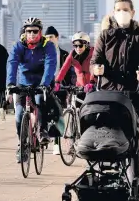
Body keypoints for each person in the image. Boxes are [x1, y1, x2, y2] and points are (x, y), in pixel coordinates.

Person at [90, 0, 139, 181]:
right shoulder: (105, 35)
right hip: (109, 96)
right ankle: (108, 178)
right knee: (107, 138)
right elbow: (95, 60)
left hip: (133, 96)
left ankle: (134, 181)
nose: (122, 13)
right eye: (118, 10)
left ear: (133, 13)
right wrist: (96, 69)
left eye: (125, 9)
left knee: (132, 141)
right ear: (113, 13)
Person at [6, 17, 57, 163]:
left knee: (41, 100)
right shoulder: (18, 46)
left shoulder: (48, 46)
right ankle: (21, 145)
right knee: (19, 115)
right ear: (24, 32)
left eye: (35, 31)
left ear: (40, 32)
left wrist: (45, 84)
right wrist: (10, 84)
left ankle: (42, 131)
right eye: (29, 31)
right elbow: (12, 64)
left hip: (42, 82)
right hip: (24, 82)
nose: (32, 34)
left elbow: (50, 65)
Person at [45, 25, 75, 155]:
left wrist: (69, 86)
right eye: (46, 38)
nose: (49, 40)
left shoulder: (64, 54)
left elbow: (70, 72)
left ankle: (57, 144)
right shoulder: (43, 53)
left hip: (61, 88)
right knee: (46, 115)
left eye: (51, 37)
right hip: (46, 87)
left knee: (58, 115)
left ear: (56, 38)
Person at [54, 32, 95, 106]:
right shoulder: (72, 55)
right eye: (75, 46)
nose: (78, 48)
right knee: (76, 105)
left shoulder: (93, 54)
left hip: (92, 86)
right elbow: (64, 69)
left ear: (86, 45)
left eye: (80, 45)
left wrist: (92, 82)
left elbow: (93, 69)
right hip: (79, 87)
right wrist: (57, 81)